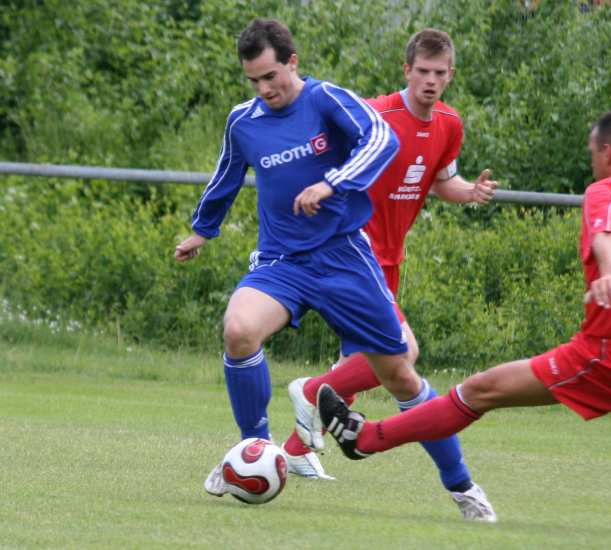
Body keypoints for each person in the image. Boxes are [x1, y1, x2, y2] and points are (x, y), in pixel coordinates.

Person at [317, 108, 611, 544]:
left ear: (609, 152)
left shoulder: (609, 191)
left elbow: (609, 233)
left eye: (592, 152)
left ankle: (365, 439)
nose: (592, 161)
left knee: (480, 390)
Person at [173, 18, 494, 520]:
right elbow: (227, 174)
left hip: (344, 256)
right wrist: (202, 230)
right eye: (254, 80)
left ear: (292, 62)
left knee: (400, 375)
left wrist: (332, 183)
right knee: (238, 330)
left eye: (271, 76)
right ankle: (254, 450)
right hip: (282, 261)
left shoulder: (327, 100)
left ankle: (462, 486)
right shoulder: (243, 121)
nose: (264, 89)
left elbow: (381, 139)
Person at [279, 28, 498, 520]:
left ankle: (295, 450)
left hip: (390, 260)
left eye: (439, 73)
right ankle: (310, 391)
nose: (430, 80)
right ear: (406, 71)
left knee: (362, 368)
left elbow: (442, 182)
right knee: (402, 355)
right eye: (422, 71)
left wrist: (471, 193)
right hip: (353, 253)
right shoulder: (375, 115)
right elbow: (326, 160)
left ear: (450, 75)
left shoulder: (449, 124)